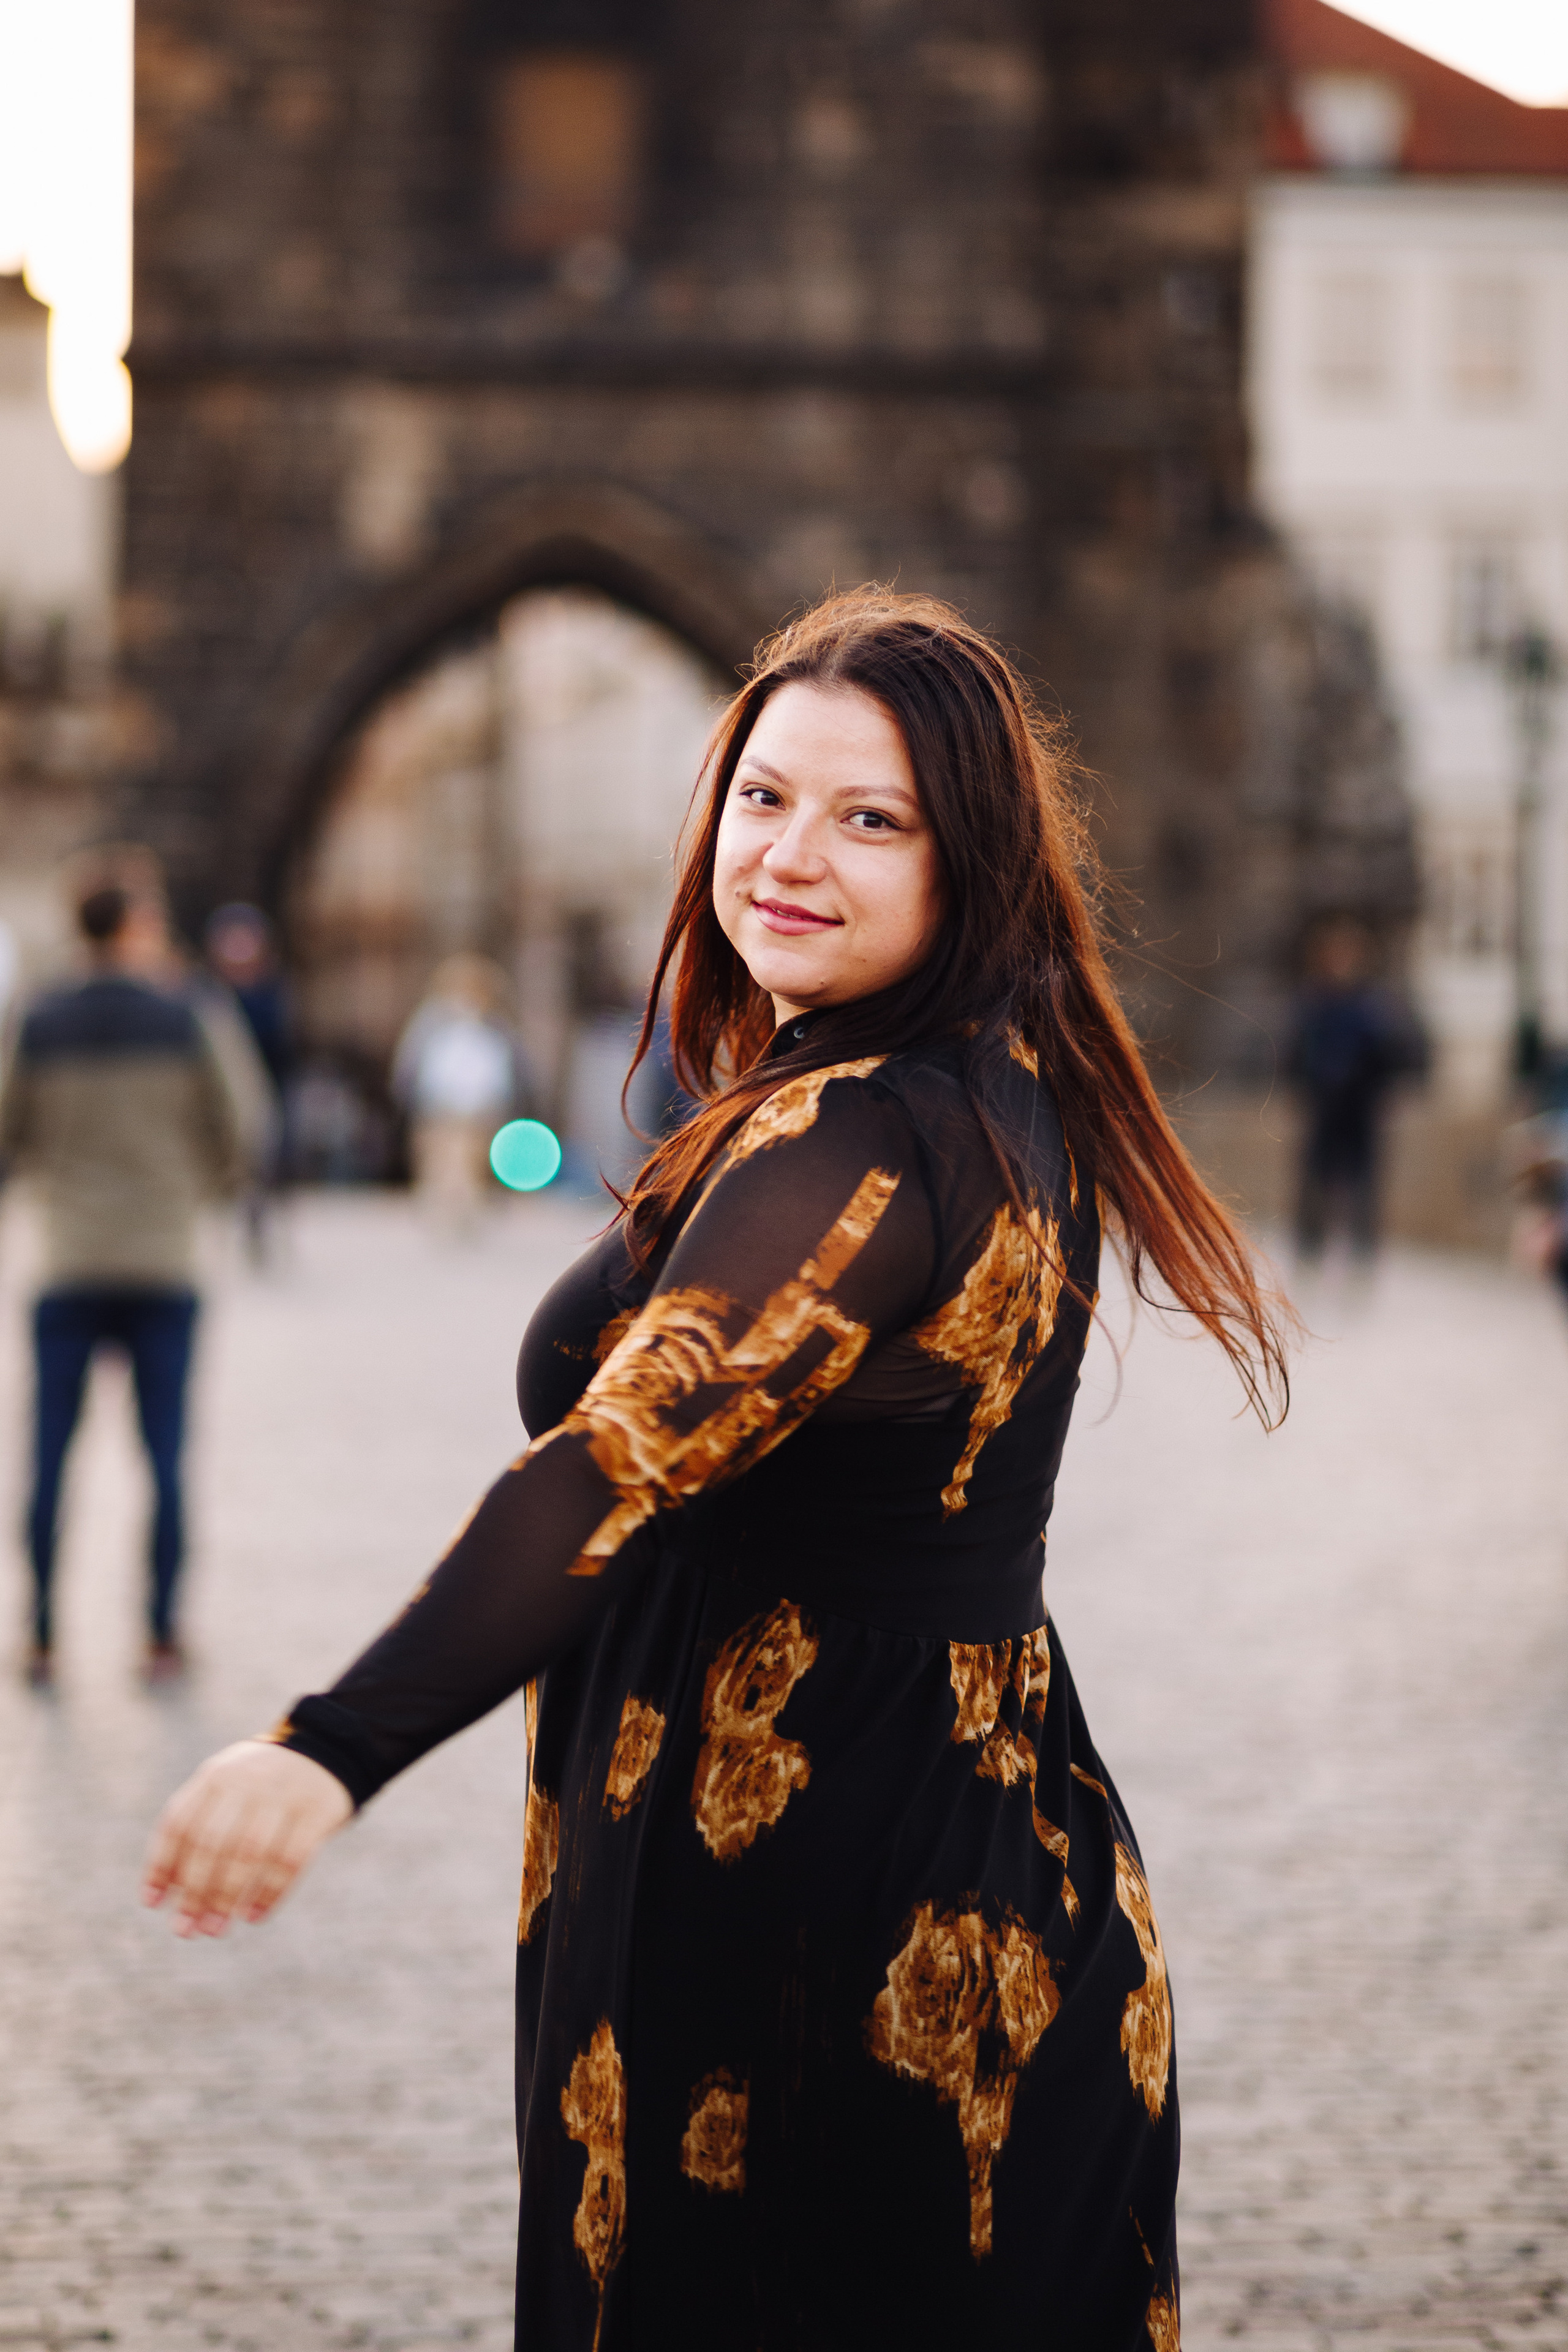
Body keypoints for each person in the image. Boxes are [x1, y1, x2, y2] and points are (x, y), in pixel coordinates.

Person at [143, 590, 1291, 2349]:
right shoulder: (943, 1085)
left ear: (968, 859)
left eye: (871, 818)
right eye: (763, 798)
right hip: (936, 1863)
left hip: (835, 1943)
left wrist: (334, 1743)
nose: (790, 857)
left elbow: (620, 1458)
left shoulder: (875, 1138)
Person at [1, 864, 254, 1685]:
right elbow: (245, 1124)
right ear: (137, 926)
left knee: (50, 1455)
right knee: (166, 1455)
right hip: (162, 1261)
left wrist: (57, 1181)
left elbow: (9, 1131)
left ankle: (40, 1631)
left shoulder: (37, 1017)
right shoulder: (188, 1013)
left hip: (67, 1260)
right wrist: (192, 1192)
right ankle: (161, 1633)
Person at [1286, 918, 1421, 1268]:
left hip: (1360, 1110)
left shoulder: (1373, 1006)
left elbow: (1395, 1052)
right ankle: (1309, 1254)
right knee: (1315, 1185)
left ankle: (1362, 1258)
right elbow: (1296, 1052)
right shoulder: (1315, 1002)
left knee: (1363, 1189)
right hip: (1324, 1107)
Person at [391, 953, 534, 1233]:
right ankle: (442, 1212)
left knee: (471, 1163)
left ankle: (466, 1213)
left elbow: (506, 1066)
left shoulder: (494, 1025)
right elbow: (411, 1063)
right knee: (440, 1161)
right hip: (438, 1104)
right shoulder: (432, 1022)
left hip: (478, 1106)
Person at [204, 903, 293, 1261]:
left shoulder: (270, 991)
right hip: (218, 1087)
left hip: (262, 1085)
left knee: (260, 1156)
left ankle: (257, 1219)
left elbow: (282, 1047)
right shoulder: (210, 991)